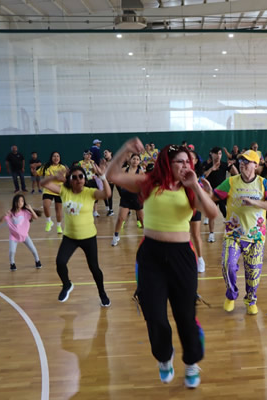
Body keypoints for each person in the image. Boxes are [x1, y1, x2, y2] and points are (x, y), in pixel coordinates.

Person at [107, 138, 218, 388]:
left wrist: (196, 185)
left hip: (182, 257)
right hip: (151, 256)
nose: (185, 165)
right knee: (155, 315)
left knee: (186, 316)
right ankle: (164, 357)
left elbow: (212, 213)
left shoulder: (191, 188)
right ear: (167, 163)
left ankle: (191, 363)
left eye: (188, 162)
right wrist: (125, 150)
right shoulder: (148, 182)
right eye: (180, 161)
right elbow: (112, 175)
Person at [211, 150, 267, 315]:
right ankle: (231, 294)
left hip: (256, 237)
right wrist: (203, 191)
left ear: (255, 165)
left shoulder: (263, 183)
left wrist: (255, 203)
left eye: (247, 161)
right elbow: (213, 197)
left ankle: (250, 300)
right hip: (233, 234)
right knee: (228, 265)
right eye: (241, 161)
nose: (242, 164)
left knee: (253, 273)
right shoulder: (231, 182)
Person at [40, 163, 112, 305]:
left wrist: (102, 177)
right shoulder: (64, 191)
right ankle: (67, 285)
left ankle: (102, 293)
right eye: (74, 177)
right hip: (70, 237)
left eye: (81, 176)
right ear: (70, 180)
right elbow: (43, 183)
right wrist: (54, 177)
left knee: (94, 268)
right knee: (60, 262)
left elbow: (107, 194)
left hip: (89, 237)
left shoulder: (90, 192)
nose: (78, 179)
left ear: (84, 179)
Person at [202, 147, 237, 243]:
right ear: (211, 154)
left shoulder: (224, 165)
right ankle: (211, 234)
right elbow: (203, 177)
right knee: (211, 215)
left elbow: (236, 174)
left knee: (226, 212)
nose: (218, 156)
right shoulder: (207, 165)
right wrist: (211, 169)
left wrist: (232, 165)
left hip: (222, 193)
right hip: (211, 194)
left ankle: (230, 231)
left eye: (220, 153)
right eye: (216, 153)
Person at [0, 194, 42, 271]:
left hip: (25, 235)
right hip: (14, 236)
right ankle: (12, 263)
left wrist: (30, 209)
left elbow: (36, 217)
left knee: (33, 249)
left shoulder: (25, 212)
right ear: (15, 202)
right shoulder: (11, 213)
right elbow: (1, 220)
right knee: (12, 251)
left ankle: (37, 261)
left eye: (22, 201)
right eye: (18, 201)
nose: (20, 203)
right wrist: (4, 215)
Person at [111, 153, 144, 247]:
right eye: (134, 159)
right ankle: (115, 236)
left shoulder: (140, 172)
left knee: (142, 220)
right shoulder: (123, 170)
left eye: (137, 159)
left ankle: (148, 238)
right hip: (125, 198)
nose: (135, 161)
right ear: (130, 160)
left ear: (139, 161)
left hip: (136, 198)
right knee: (120, 218)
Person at [37, 151, 67, 234]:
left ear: (59, 158)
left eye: (58, 156)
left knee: (58, 209)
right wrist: (33, 168)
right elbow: (36, 173)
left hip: (59, 189)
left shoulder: (62, 167)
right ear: (51, 157)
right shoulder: (46, 166)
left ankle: (59, 226)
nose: (56, 158)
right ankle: (49, 221)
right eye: (54, 156)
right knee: (46, 205)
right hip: (48, 189)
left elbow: (64, 180)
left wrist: (55, 178)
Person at [102, 149, 116, 216]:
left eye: (106, 152)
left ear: (110, 153)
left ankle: (127, 209)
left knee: (122, 194)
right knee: (109, 195)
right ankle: (111, 210)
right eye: (104, 153)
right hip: (109, 181)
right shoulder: (104, 162)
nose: (104, 154)